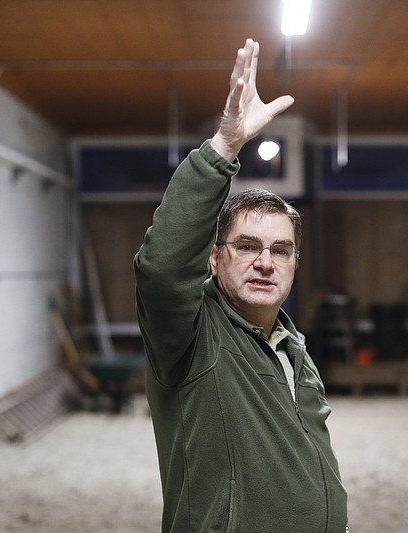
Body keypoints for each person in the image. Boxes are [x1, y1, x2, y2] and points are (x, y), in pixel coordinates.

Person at [135, 38, 348, 532]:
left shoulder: (291, 347)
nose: (265, 263)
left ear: (295, 263)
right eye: (247, 246)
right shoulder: (193, 338)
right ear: (214, 258)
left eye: (280, 250)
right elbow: (161, 269)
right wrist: (224, 148)